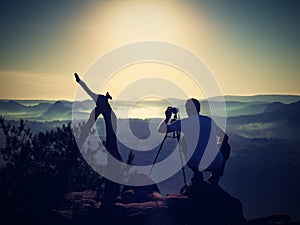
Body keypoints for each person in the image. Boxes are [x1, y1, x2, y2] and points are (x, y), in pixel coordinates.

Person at [158, 98, 230, 185]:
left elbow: (161, 130)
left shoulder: (184, 123)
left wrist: (167, 118)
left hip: (196, 163)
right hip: (216, 163)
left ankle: (197, 175)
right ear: (199, 109)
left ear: (187, 109)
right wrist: (216, 146)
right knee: (225, 146)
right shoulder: (208, 120)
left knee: (183, 141)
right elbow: (225, 137)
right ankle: (215, 177)